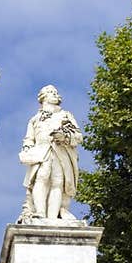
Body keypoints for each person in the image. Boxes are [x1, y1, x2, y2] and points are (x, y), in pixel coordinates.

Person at [18, 85, 84, 223]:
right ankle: (40, 213)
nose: (55, 94)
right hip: (41, 152)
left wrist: (64, 136)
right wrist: (27, 148)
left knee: (58, 182)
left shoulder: (65, 115)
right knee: (41, 178)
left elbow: (78, 136)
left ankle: (53, 218)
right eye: (50, 92)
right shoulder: (35, 119)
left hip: (60, 151)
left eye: (55, 92)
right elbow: (29, 138)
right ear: (43, 97)